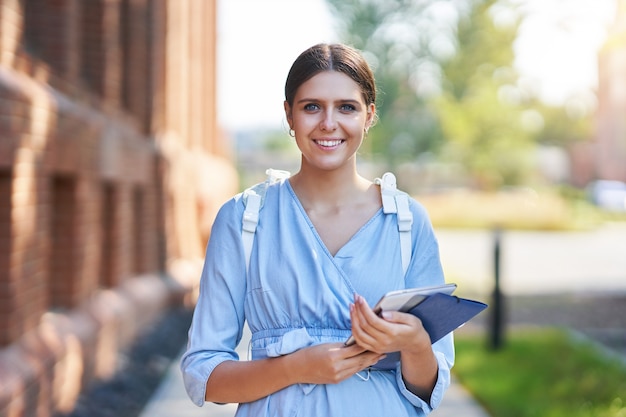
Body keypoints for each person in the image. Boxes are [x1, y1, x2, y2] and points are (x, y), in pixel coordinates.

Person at [180, 43, 454, 416]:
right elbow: (204, 376)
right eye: (312, 107)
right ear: (289, 115)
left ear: (369, 116)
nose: (329, 123)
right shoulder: (245, 219)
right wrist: (295, 368)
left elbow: (427, 391)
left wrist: (418, 344)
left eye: (347, 107)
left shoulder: (406, 221)